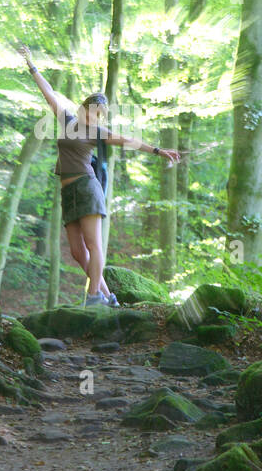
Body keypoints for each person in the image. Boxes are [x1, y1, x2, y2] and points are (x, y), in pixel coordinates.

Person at [18, 44, 180, 307]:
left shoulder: (98, 132)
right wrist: (31, 64)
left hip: (87, 187)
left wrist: (159, 151)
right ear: (84, 109)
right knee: (76, 252)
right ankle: (108, 298)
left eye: (101, 114)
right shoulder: (68, 121)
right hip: (68, 192)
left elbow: (129, 140)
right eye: (94, 111)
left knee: (93, 245)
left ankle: (93, 297)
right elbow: (48, 92)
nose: (97, 116)